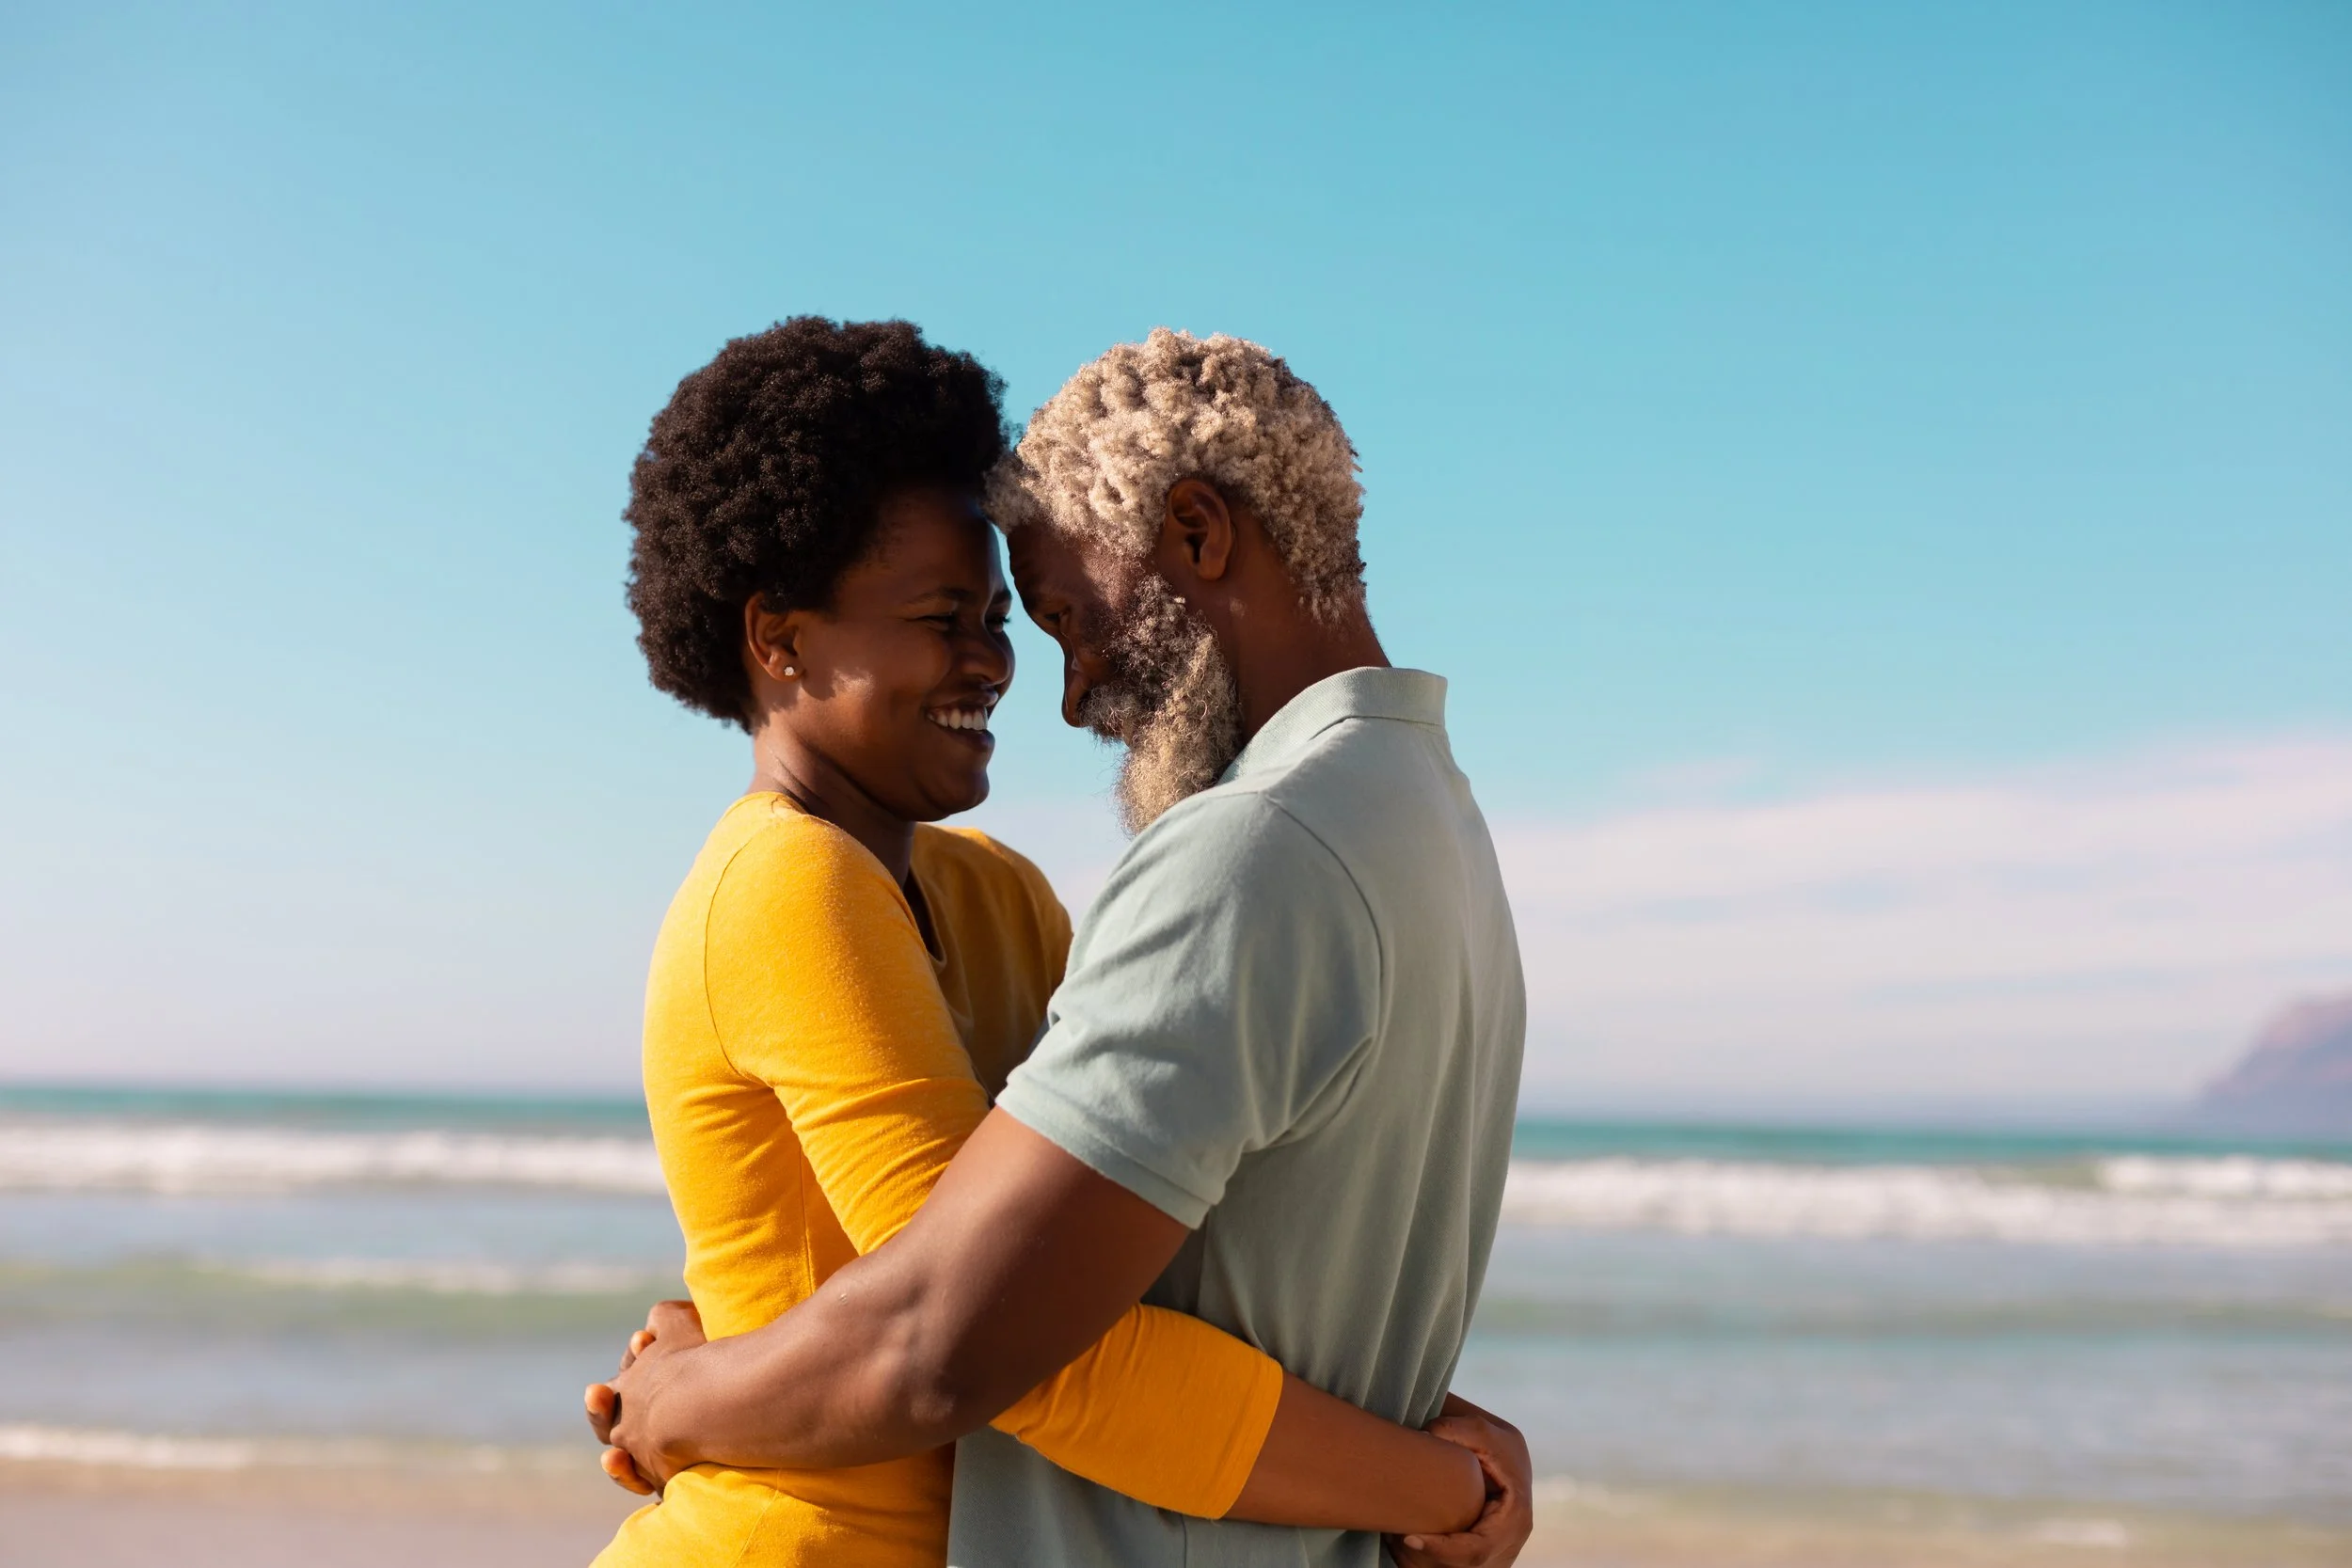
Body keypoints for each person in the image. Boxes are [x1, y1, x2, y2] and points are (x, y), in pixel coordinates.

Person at [587, 318, 1527, 1568]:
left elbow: (985, 1313)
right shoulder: (1426, 823)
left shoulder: (1101, 881)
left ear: (1198, 533)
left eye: (1046, 618)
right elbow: (968, 1328)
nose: (1058, 690)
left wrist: (699, 1386)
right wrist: (1444, 1474)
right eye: (947, 614)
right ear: (780, 638)